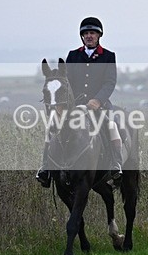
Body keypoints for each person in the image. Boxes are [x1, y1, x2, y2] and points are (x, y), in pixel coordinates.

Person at [36, 17, 123, 187]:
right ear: (82, 36)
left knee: (111, 126)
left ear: (99, 35)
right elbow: (66, 82)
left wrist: (97, 100)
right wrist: (65, 103)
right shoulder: (73, 55)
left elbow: (109, 82)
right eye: (86, 33)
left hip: (100, 105)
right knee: (52, 127)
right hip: (74, 105)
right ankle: (46, 167)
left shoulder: (108, 56)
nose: (89, 36)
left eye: (92, 33)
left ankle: (116, 163)